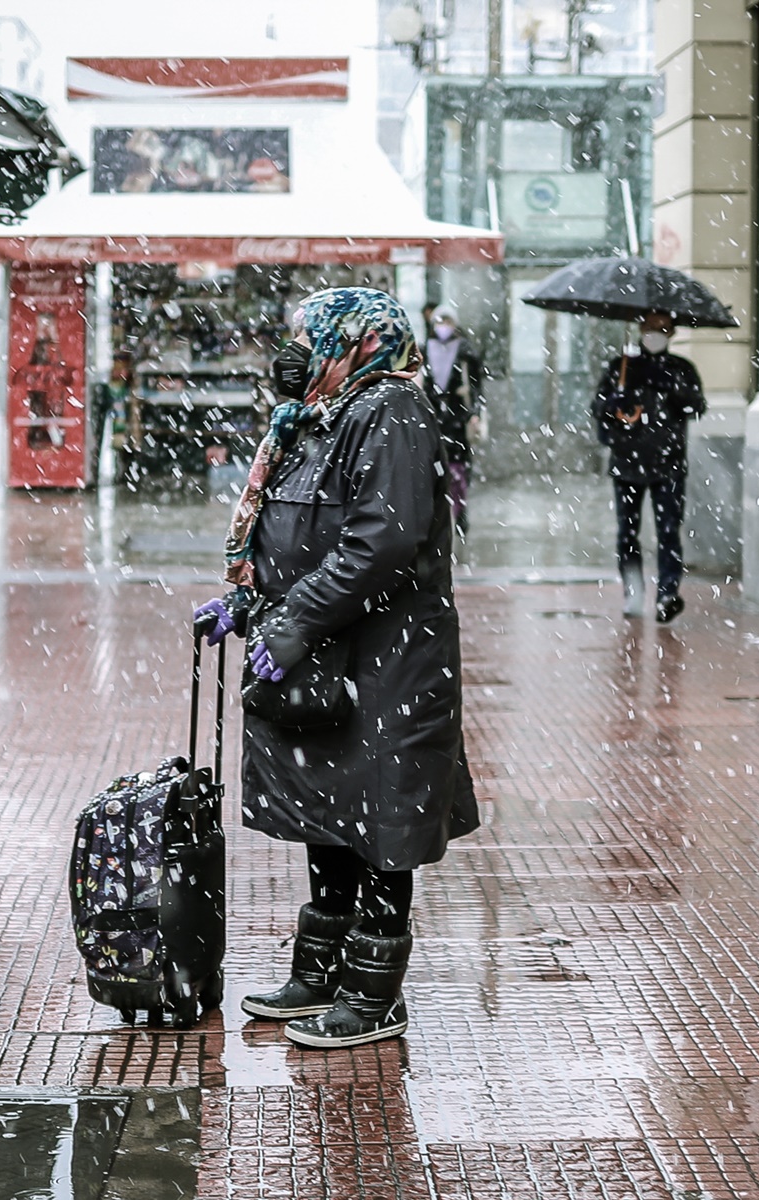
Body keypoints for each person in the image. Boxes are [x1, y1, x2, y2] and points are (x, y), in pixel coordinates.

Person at [193, 288, 478, 1050]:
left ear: (353, 343)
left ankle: (375, 994)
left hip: (387, 661)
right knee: (334, 814)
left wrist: (294, 621)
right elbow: (302, 536)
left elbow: (380, 542)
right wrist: (250, 607)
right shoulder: (320, 416)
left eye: (307, 337)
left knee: (381, 820)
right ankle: (319, 975)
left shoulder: (389, 409)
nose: (293, 352)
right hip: (334, 657)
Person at [593, 311, 706, 623]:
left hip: (668, 463)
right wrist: (615, 401)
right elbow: (599, 407)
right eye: (650, 327)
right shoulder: (622, 367)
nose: (654, 333)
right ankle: (633, 587)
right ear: (640, 328)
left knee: (668, 531)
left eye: (662, 328)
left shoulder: (681, 369)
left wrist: (672, 387)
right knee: (627, 531)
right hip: (627, 461)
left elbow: (696, 406)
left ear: (671, 333)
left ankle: (668, 592)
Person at [421, 305, 486, 536]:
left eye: (447, 321)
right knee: (433, 467)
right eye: (439, 322)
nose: (443, 327)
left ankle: (460, 511)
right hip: (433, 418)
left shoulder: (466, 352)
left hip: (458, 418)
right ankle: (437, 513)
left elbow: (478, 387)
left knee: (458, 469)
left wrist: (475, 412)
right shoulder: (423, 350)